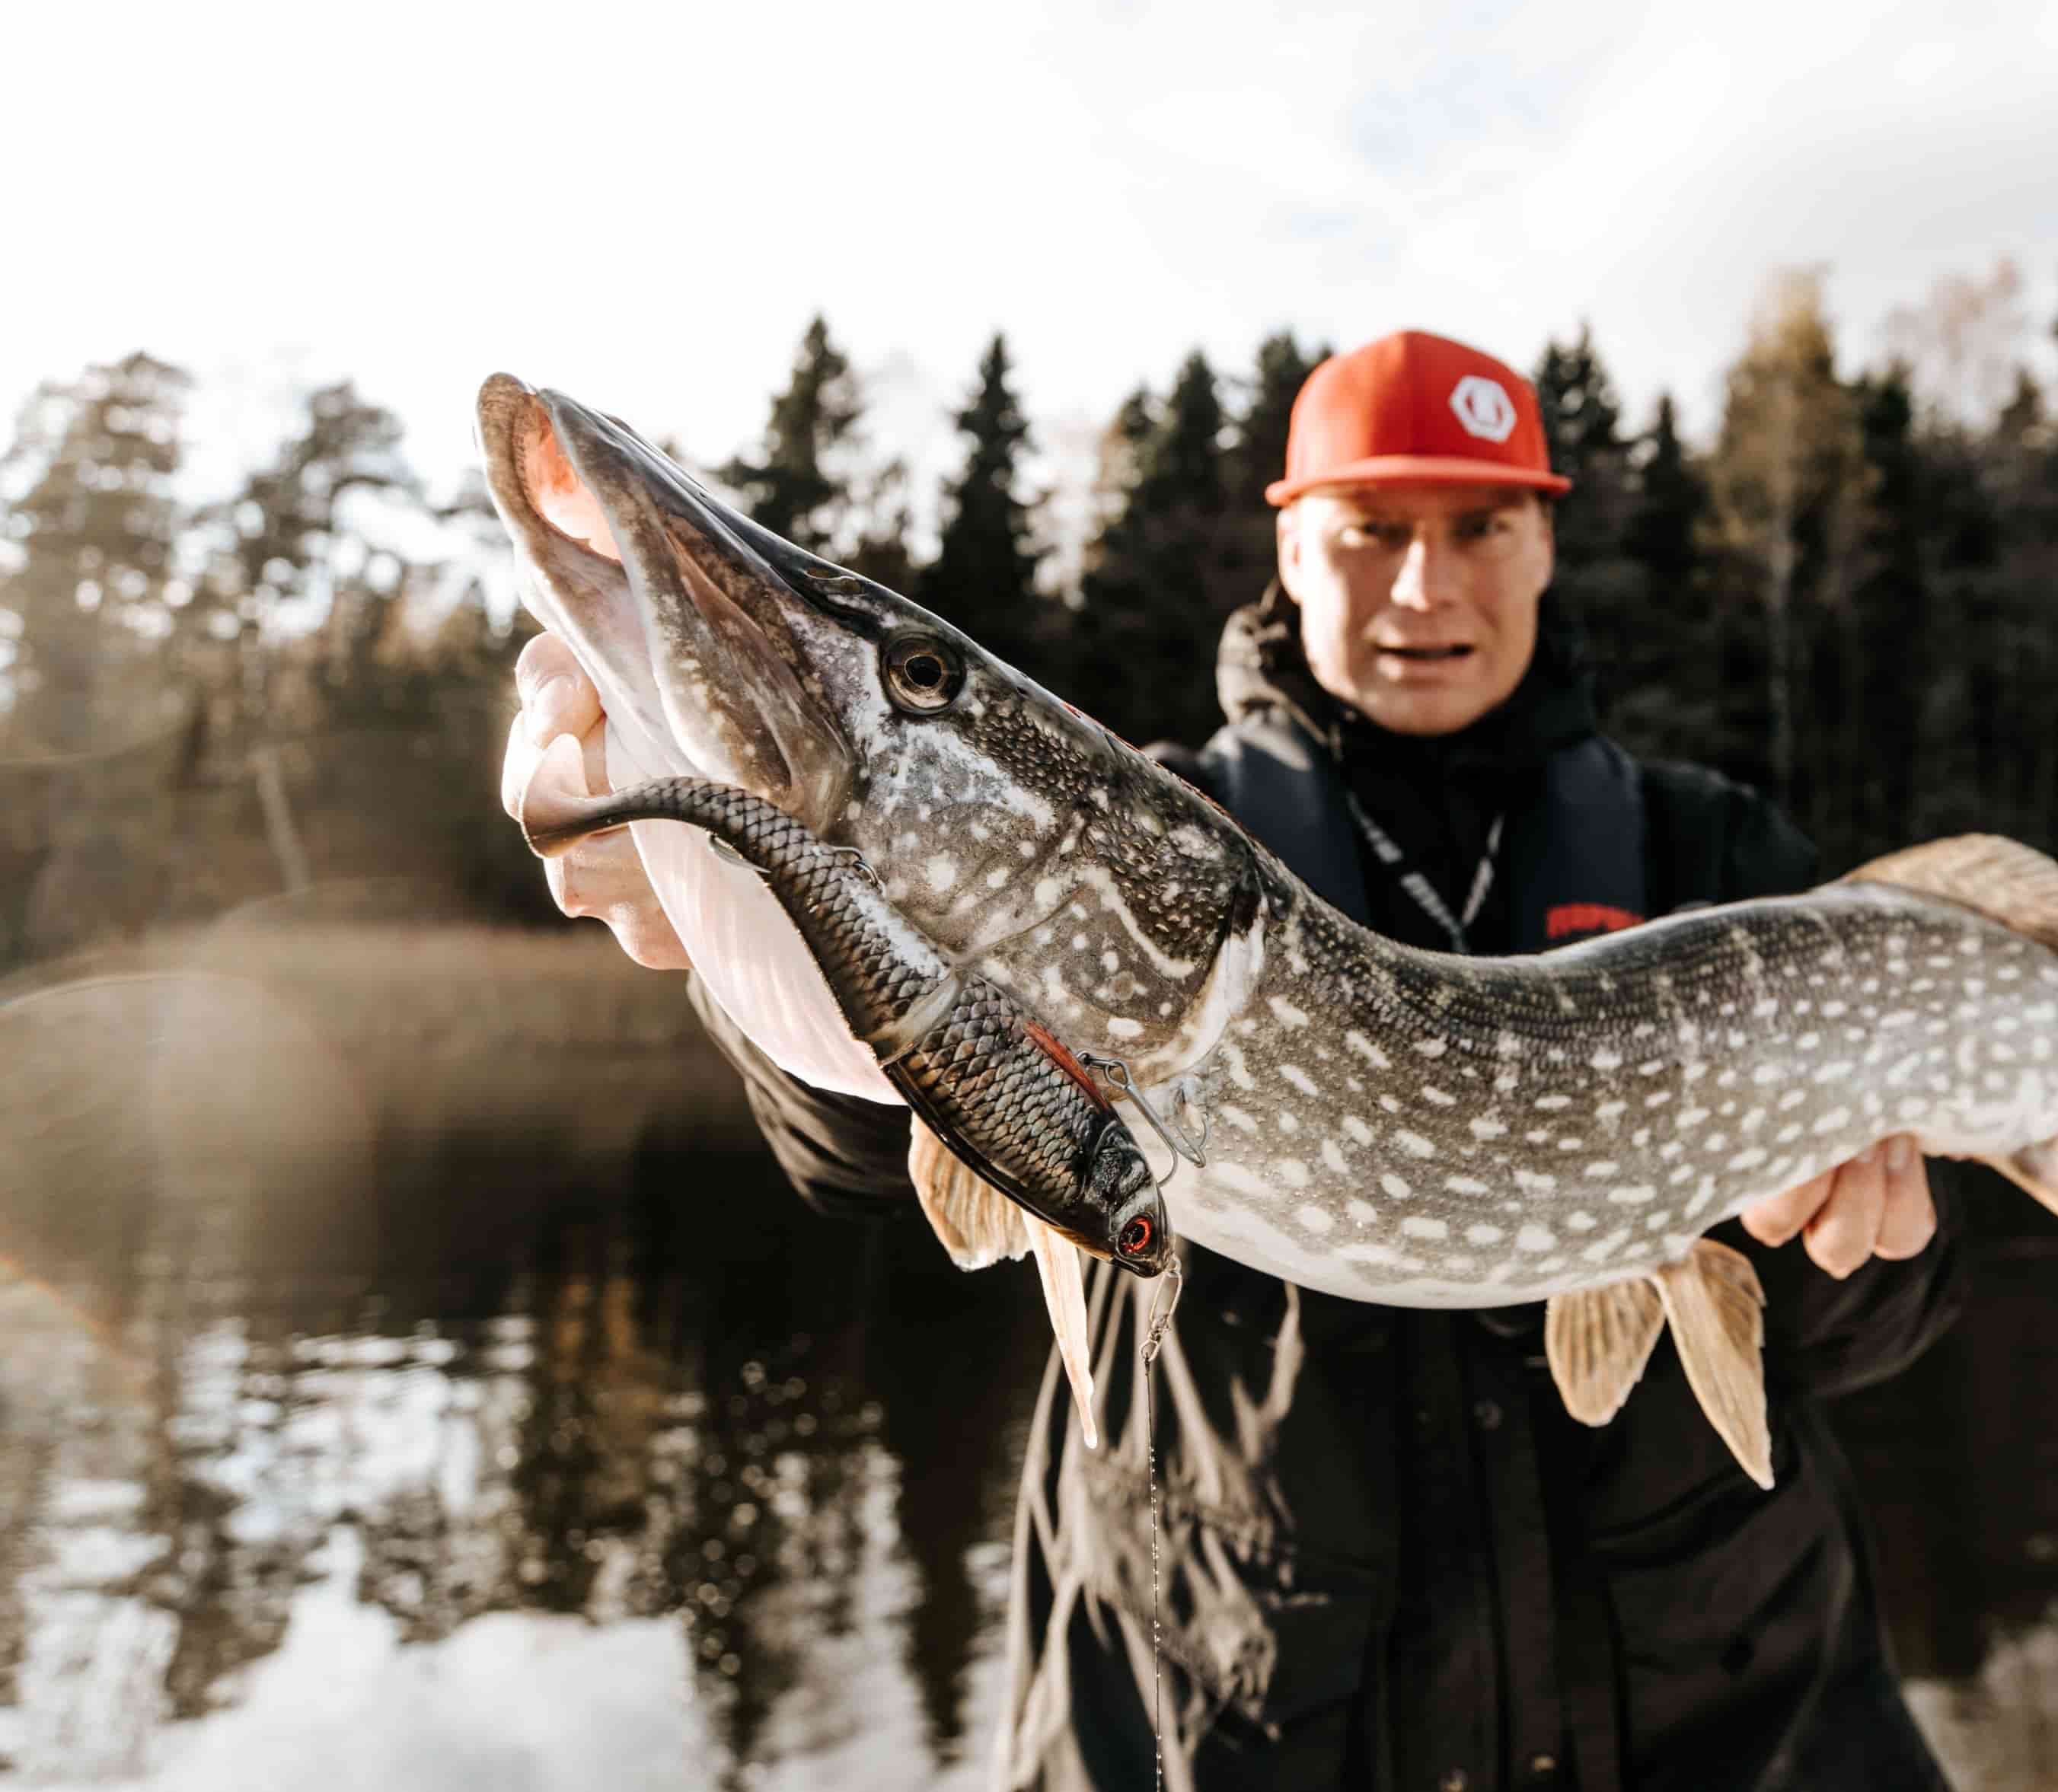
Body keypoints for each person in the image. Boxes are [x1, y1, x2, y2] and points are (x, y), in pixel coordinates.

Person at [506, 328, 1967, 1790]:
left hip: (1724, 1724)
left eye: (1479, 528)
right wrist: (728, 934)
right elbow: (870, 1156)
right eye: (1372, 529)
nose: (1424, 582)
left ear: (1543, 546)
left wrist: (1857, 1246)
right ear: (1292, 544)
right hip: (1215, 1715)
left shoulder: (1724, 863)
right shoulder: (1158, 834)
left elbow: (1893, 1314)